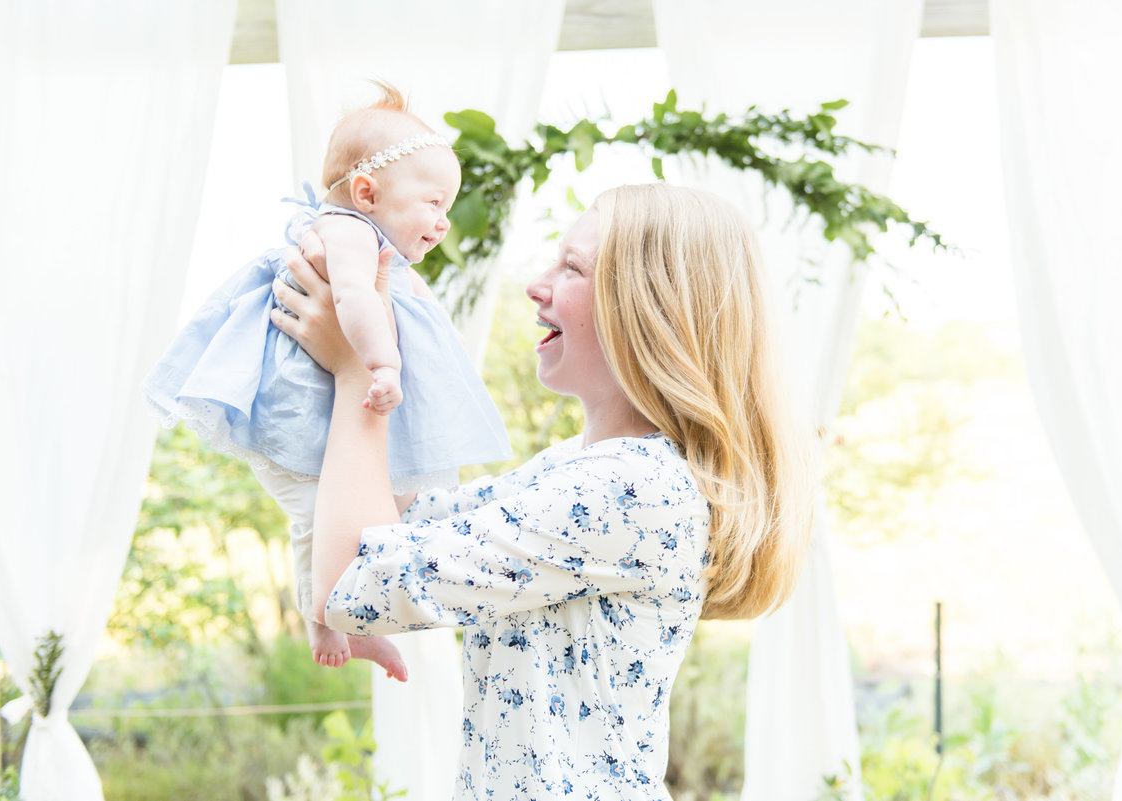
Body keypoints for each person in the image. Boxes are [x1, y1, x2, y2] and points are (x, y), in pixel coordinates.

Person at [272, 183, 814, 799]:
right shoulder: (578, 468)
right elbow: (392, 526)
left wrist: (357, 372)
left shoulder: (628, 490)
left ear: (648, 307)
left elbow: (352, 585)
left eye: (573, 267)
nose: (537, 283)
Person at [142, 83, 511, 679]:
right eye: (434, 202)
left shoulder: (370, 241)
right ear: (367, 192)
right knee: (322, 513)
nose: (443, 222)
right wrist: (382, 363)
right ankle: (328, 615)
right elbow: (352, 300)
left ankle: (342, 615)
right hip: (301, 422)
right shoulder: (349, 234)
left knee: (370, 510)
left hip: (321, 423)